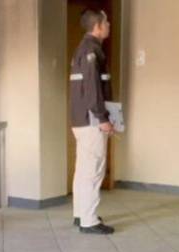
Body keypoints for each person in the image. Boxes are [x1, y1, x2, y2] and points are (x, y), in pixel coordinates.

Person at [70, 9, 115, 235]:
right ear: (97, 26)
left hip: (81, 120)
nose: (109, 25)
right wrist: (102, 118)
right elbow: (93, 88)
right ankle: (89, 221)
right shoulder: (92, 50)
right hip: (91, 121)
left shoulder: (83, 48)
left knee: (83, 169)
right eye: (106, 22)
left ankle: (81, 214)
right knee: (93, 170)